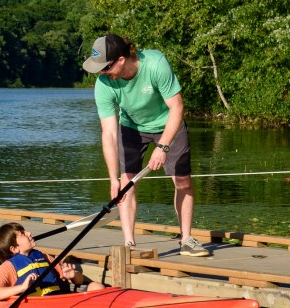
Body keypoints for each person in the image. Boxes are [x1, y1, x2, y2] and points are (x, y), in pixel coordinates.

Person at [82, 34, 209, 257]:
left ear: (121, 60)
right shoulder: (104, 85)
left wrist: (163, 147)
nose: (102, 74)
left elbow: (177, 108)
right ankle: (129, 243)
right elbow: (109, 134)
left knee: (182, 181)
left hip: (169, 123)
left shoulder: (156, 64)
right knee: (126, 183)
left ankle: (186, 239)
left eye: (105, 68)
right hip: (132, 127)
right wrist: (113, 178)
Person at [0, 222, 104, 302]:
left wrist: (73, 275)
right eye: (22, 234)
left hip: (59, 302)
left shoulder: (44, 257)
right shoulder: (9, 266)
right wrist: (21, 287)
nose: (29, 233)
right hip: (38, 307)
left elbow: (79, 281)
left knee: (95, 286)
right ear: (14, 248)